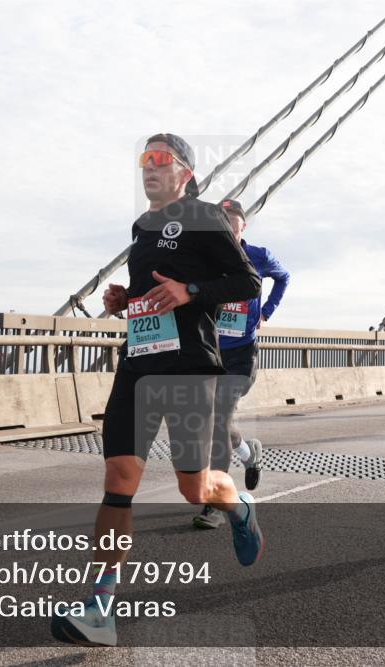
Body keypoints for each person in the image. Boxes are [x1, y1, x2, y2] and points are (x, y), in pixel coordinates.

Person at [51, 133, 263, 647]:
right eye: (144, 159)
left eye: (160, 159)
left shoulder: (207, 216)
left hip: (190, 367)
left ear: (185, 172)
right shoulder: (142, 227)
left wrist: (191, 291)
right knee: (119, 478)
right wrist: (128, 298)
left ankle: (237, 506)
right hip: (140, 364)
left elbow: (247, 282)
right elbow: (153, 290)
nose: (149, 167)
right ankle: (100, 609)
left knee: (195, 488)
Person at [193, 198, 291, 529]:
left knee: (218, 422)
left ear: (242, 228)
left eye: (232, 227)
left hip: (242, 355)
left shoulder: (259, 256)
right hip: (211, 352)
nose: (227, 233)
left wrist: (266, 312)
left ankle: (217, 503)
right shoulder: (208, 259)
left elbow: (284, 277)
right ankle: (249, 452)